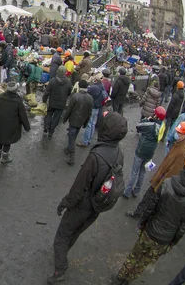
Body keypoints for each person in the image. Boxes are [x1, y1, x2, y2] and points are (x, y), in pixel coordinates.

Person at [48, 112, 128, 284]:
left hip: (82, 205)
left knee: (62, 235)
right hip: (97, 205)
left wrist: (65, 202)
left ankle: (59, 270)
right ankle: (62, 253)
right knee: (76, 231)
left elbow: (80, 186)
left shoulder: (96, 156)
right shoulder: (118, 152)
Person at [112, 151, 185, 285]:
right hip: (164, 240)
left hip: (150, 230)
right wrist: (172, 243)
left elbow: (151, 206)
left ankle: (119, 278)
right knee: (144, 262)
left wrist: (142, 223)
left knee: (134, 255)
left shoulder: (167, 183)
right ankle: (128, 280)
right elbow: (184, 226)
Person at [126, 121, 185, 219]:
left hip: (162, 181)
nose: (177, 134)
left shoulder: (181, 151)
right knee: (148, 198)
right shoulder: (178, 144)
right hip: (160, 178)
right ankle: (139, 213)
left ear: (184, 135)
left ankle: (139, 214)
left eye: (179, 133)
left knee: (150, 200)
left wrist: (161, 181)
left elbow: (173, 171)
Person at [123, 106, 166, 199]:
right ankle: (136, 191)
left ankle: (127, 192)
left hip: (141, 151)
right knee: (142, 173)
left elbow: (139, 125)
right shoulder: (162, 126)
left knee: (134, 172)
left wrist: (147, 119)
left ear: (157, 116)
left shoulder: (151, 126)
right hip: (150, 153)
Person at [0, 81, 31, 163]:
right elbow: (23, 115)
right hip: (12, 125)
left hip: (1, 123)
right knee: (7, 141)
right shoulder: (18, 100)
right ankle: (5, 158)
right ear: (15, 90)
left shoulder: (0, 97)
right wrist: (27, 127)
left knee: (0, 138)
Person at [62, 79, 93, 165]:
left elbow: (69, 109)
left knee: (71, 138)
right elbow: (89, 112)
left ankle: (72, 158)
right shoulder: (90, 98)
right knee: (74, 136)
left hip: (73, 120)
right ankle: (68, 149)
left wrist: (64, 119)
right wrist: (86, 123)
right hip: (81, 121)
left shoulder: (75, 96)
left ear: (79, 86)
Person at [77, 73, 107, 148]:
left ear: (95, 79)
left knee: (88, 125)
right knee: (93, 124)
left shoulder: (94, 87)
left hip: (92, 107)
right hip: (98, 106)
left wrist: (88, 82)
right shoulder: (101, 86)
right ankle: (89, 139)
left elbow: (85, 90)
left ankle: (85, 142)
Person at [42, 66, 73, 138]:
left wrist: (44, 100)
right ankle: (51, 131)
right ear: (65, 73)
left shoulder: (53, 81)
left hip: (52, 102)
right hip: (61, 103)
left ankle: (46, 127)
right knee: (57, 117)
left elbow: (47, 92)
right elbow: (69, 93)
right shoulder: (68, 82)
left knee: (49, 114)